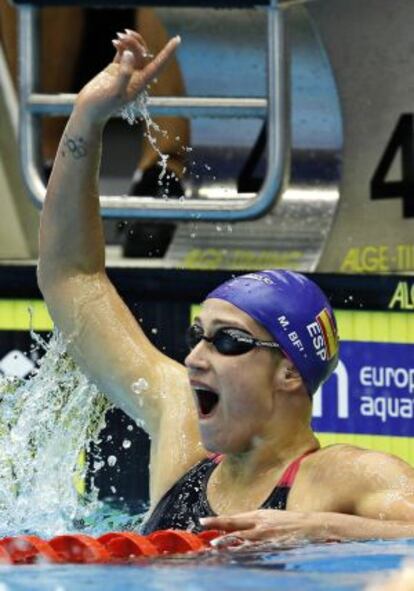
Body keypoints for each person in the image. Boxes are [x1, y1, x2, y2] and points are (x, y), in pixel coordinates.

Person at [37, 29, 414, 544]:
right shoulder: (184, 438)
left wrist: (320, 528)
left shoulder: (341, 477)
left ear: (288, 371)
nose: (194, 356)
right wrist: (87, 119)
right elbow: (70, 276)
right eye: (199, 333)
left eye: (228, 341)